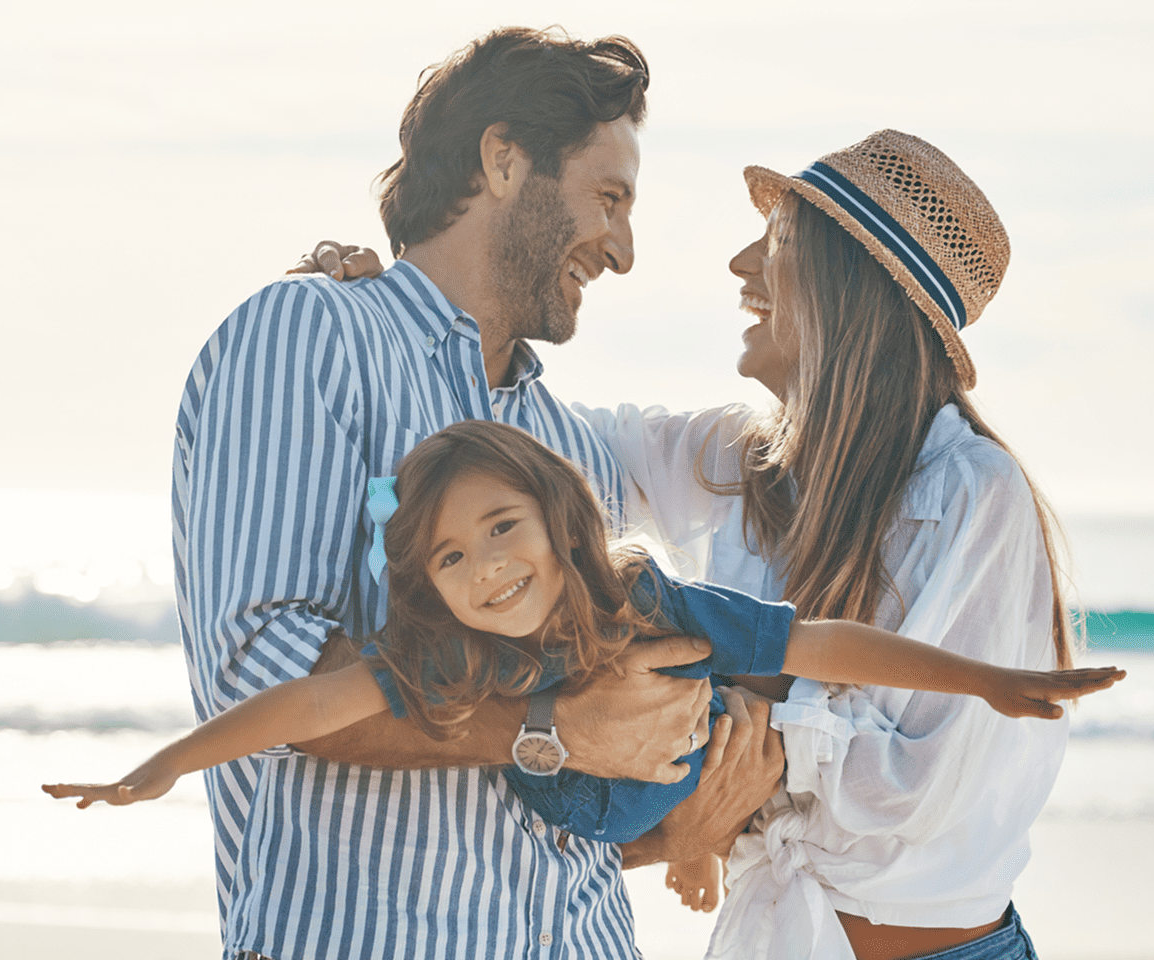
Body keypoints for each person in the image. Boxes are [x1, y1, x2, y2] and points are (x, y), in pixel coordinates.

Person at [294, 130, 1083, 959]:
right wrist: (400, 319)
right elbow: (521, 448)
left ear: (849, 292)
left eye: (777, 243)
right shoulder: (741, 462)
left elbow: (928, 789)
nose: (742, 265)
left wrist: (760, 743)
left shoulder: (972, 494)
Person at [170, 26, 787, 960]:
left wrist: (680, 829)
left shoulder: (568, 445)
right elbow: (261, 667)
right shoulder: (312, 335)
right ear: (504, 160)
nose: (621, 250)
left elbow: (543, 799)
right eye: (608, 199)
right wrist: (550, 728)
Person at [50, 421, 1119, 897]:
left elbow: (815, 638)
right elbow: (304, 705)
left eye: (504, 528)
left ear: (562, 519)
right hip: (612, 832)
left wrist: (985, 677)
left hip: (692, 767)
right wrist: (166, 767)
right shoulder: (453, 657)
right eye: (452, 556)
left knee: (746, 678)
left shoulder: (645, 599)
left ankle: (709, 836)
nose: (487, 570)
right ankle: (693, 845)